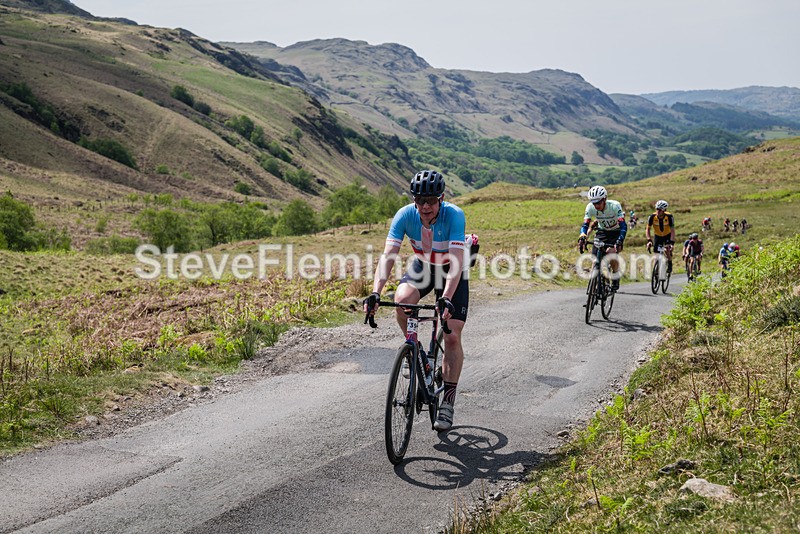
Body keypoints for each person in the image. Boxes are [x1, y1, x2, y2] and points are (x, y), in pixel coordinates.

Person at [364, 170, 468, 432]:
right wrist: (376, 291)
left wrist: (445, 297)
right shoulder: (405, 215)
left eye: (431, 200)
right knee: (402, 301)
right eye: (420, 200)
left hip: (451, 272)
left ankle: (447, 402)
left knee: (452, 335)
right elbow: (388, 255)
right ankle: (415, 353)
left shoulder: (454, 215)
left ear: (441, 199)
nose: (425, 206)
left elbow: (456, 262)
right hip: (423, 267)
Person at [578, 185, 627, 291]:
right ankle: (596, 286)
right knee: (595, 261)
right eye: (593, 202)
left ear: (605, 199)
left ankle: (615, 276)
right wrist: (582, 236)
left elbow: (623, 225)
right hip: (602, 232)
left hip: (616, 232)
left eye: (598, 202)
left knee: (611, 253)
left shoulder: (615, 206)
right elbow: (585, 225)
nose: (596, 205)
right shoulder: (590, 207)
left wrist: (620, 240)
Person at [645, 200, 676, 274]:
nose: (658, 211)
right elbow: (648, 229)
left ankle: (670, 262)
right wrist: (649, 240)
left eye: (660, 210)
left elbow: (672, 231)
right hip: (658, 236)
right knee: (656, 255)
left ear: (664, 210)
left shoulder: (669, 217)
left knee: (667, 250)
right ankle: (656, 271)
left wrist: (671, 242)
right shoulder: (652, 217)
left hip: (667, 235)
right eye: (657, 209)